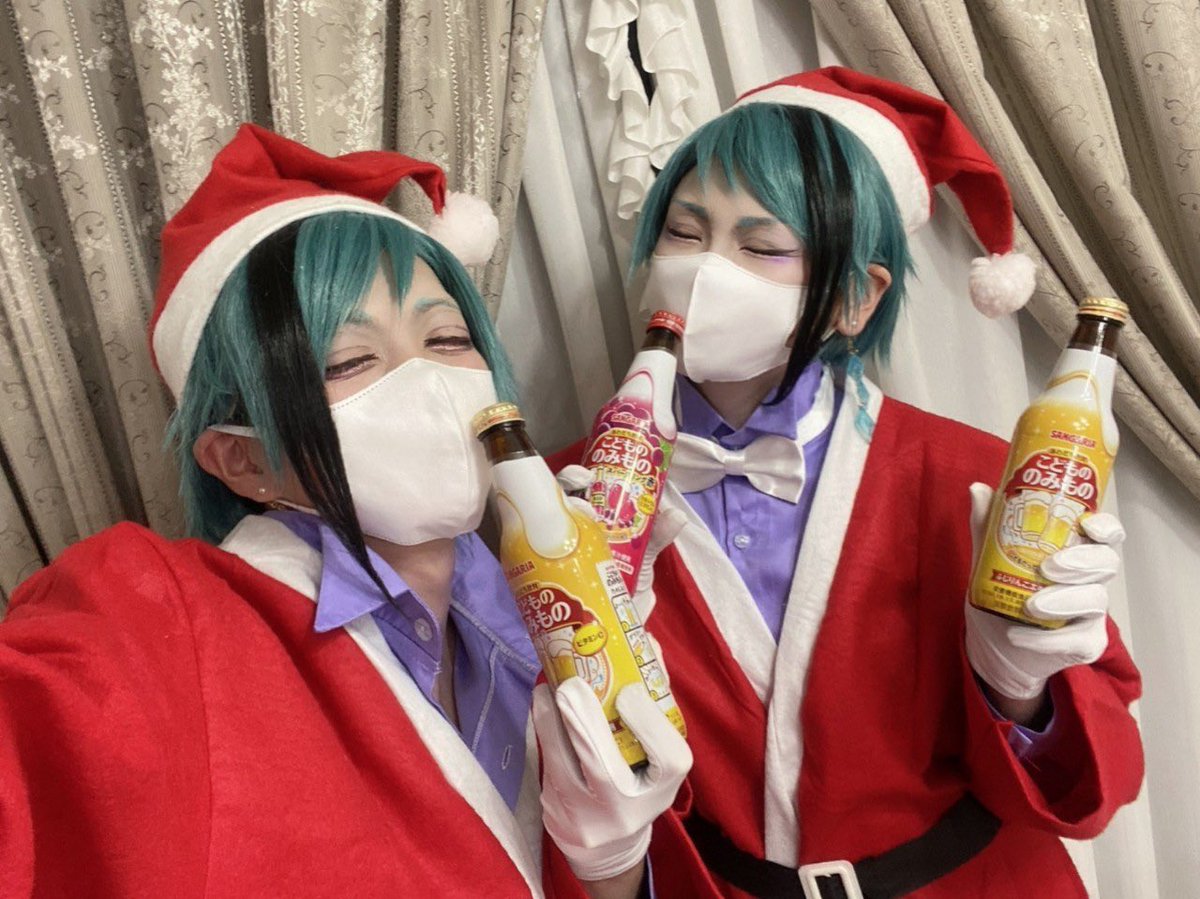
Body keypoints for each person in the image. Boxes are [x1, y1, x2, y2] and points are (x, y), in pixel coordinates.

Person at [0, 125, 707, 899]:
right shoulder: (155, 621)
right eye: (349, 360)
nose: (429, 382)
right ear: (243, 458)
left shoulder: (538, 603)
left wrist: (614, 867)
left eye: (449, 338)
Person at [553, 68, 1143, 898]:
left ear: (854, 299)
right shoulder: (566, 499)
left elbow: (1096, 778)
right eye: (683, 233)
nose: (706, 270)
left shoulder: (980, 478)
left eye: (762, 246)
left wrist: (1021, 692)